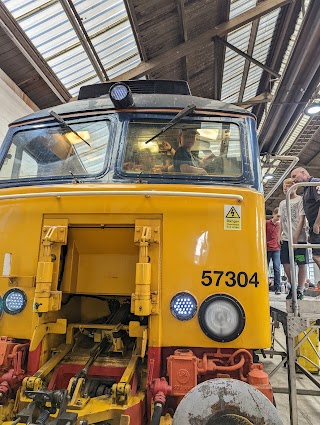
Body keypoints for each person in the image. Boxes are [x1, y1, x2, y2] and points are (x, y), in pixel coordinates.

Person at [278, 178, 308, 300]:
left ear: (294, 187)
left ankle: (300, 289)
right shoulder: (282, 203)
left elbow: (301, 219)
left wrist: (296, 235)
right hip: (285, 239)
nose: (286, 188)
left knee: (300, 262)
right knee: (286, 264)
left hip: (299, 239)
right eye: (284, 186)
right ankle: (293, 286)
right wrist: (279, 234)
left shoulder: (300, 200)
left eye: (288, 185)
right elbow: (281, 221)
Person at [291, 167, 320, 271]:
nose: (293, 180)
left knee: (316, 256)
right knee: (316, 256)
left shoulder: (315, 183)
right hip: (313, 227)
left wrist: (317, 224)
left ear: (303, 173)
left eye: (294, 176)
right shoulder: (306, 189)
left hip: (317, 226)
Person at [266, 207, 281, 294]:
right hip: (267, 248)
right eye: (277, 216)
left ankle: (277, 288)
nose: (278, 218)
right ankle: (264, 286)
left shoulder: (279, 225)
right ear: (273, 215)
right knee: (265, 268)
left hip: (276, 249)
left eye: (280, 217)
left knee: (277, 268)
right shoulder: (266, 223)